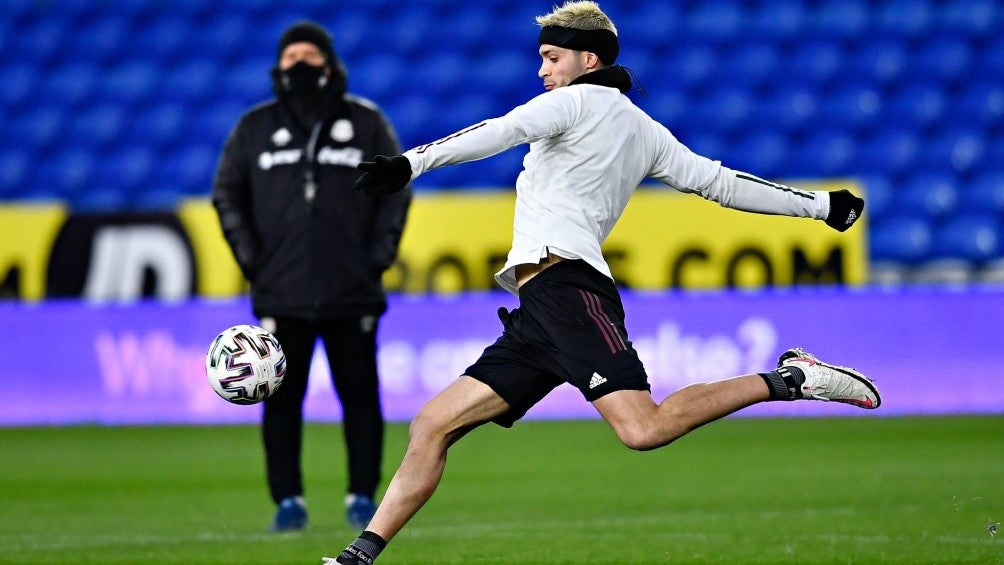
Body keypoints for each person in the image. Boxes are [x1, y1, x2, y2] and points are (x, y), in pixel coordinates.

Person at [325, 2, 878, 562]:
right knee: (433, 423)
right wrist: (817, 205)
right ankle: (359, 556)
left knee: (643, 429)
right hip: (540, 308)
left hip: (568, 289)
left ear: (587, 60)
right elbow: (723, 183)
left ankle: (789, 378)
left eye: (551, 56)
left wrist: (410, 163)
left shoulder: (570, 102)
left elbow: (501, 130)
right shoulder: (646, 130)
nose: (542, 71)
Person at [212, 20, 411, 532]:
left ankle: (362, 498)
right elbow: (226, 193)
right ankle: (288, 502)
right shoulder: (254, 127)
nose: (299, 63)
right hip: (282, 292)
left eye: (310, 55)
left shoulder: (365, 122)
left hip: (354, 290)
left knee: (362, 400)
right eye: (290, 56)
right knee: (279, 402)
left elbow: (397, 190)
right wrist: (252, 260)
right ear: (278, 66)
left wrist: (378, 257)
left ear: (329, 63)